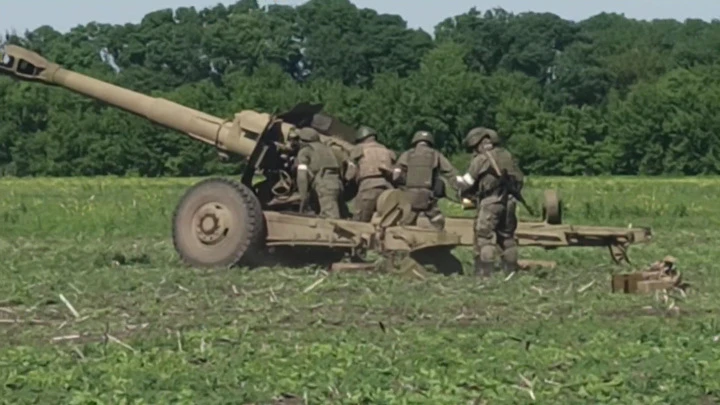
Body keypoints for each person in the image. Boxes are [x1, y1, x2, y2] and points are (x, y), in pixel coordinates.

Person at [455, 127, 524, 276]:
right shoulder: (507, 155)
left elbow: (466, 183)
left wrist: (456, 184)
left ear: (478, 143)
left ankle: (485, 274)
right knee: (507, 237)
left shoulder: (481, 159)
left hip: (490, 202)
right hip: (510, 202)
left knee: (484, 237)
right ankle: (511, 272)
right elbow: (519, 179)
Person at [392, 130, 459, 230]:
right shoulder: (436, 154)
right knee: (438, 222)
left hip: (410, 196)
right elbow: (450, 172)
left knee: (406, 224)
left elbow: (396, 176)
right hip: (428, 197)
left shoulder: (407, 154)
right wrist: (461, 187)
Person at [346, 125, 397, 222]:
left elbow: (351, 171)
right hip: (387, 188)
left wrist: (347, 181)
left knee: (359, 222)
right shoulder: (387, 150)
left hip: (368, 187)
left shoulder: (359, 149)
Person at [293, 127, 343, 219]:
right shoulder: (328, 149)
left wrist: (303, 197)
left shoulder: (305, 151)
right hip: (337, 184)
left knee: (331, 219)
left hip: (324, 186)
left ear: (303, 140)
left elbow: (302, 176)